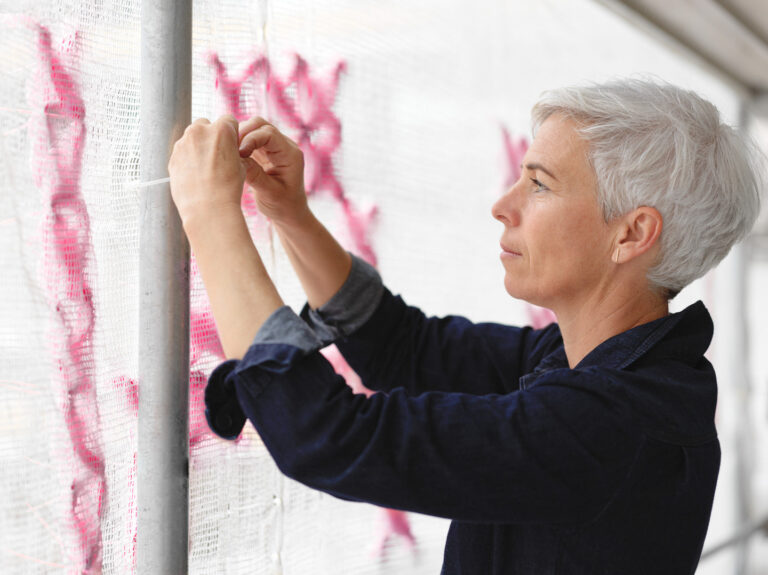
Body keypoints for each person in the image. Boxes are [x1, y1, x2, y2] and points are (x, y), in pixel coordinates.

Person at [168, 79, 763, 574]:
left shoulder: (613, 422)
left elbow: (327, 435)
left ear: (631, 234)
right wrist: (287, 214)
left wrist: (211, 217)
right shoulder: (606, 364)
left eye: (539, 183)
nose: (504, 205)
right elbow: (406, 347)